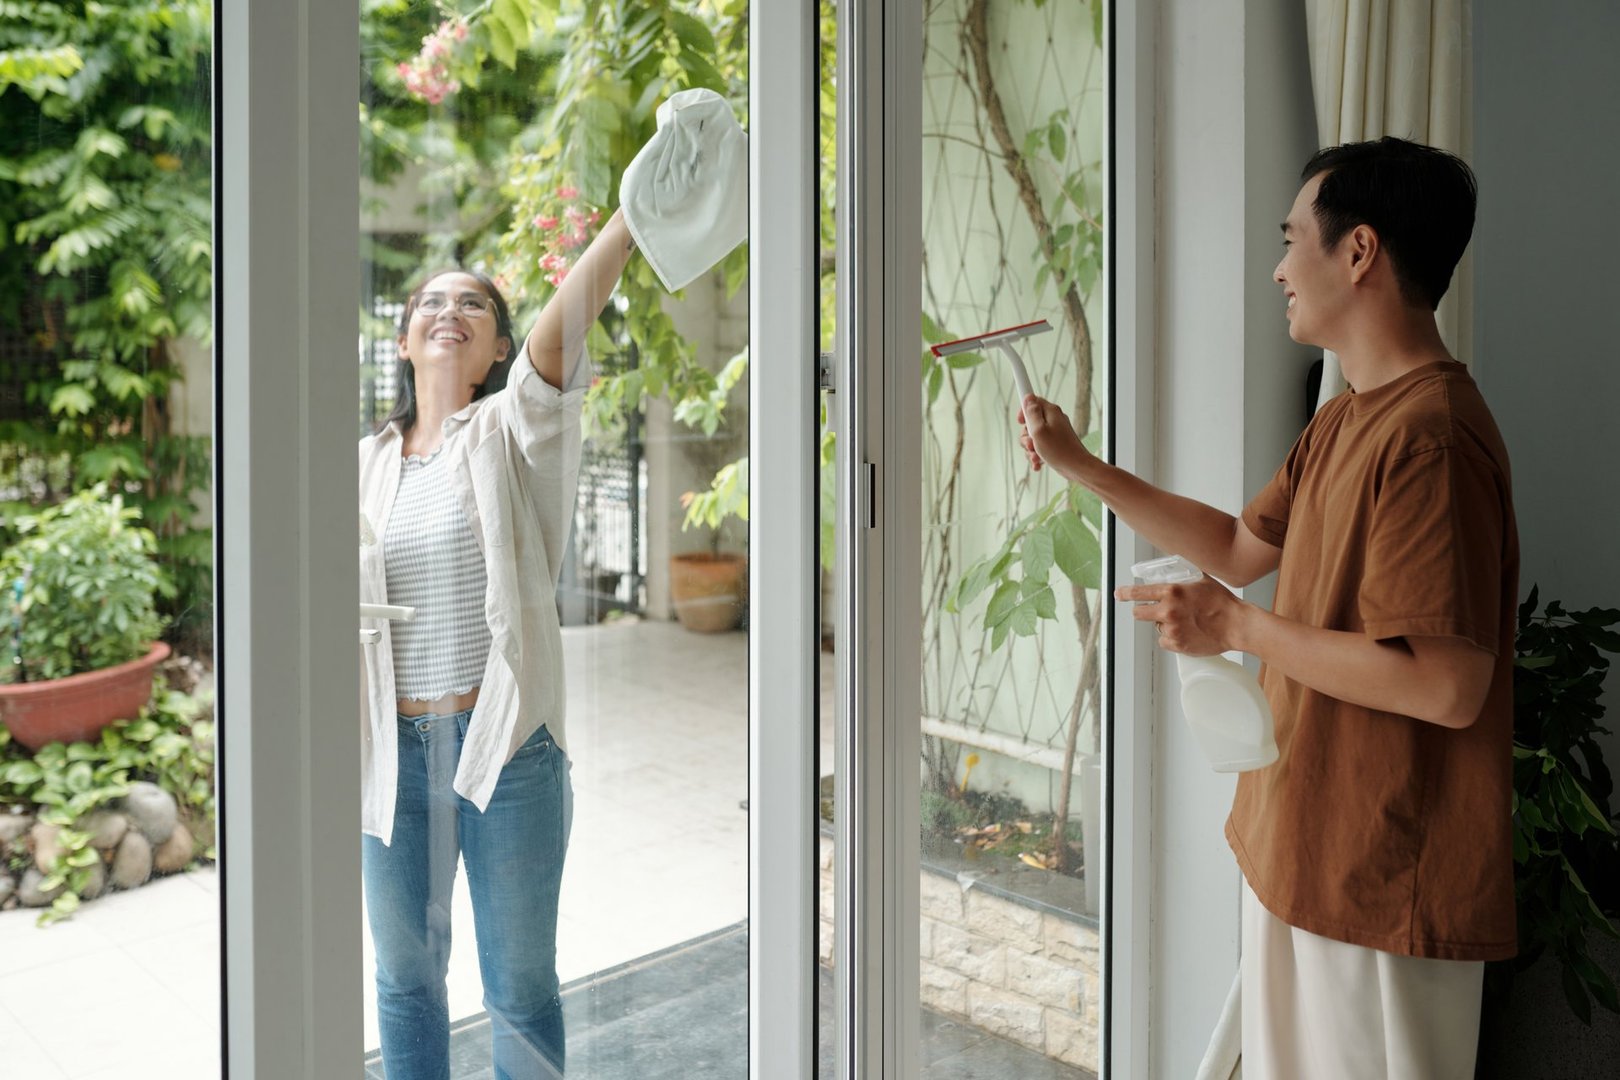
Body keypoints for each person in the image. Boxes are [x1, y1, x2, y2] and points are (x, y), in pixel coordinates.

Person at [1019, 137, 1517, 1079]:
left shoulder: (1432, 441)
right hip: (1305, 847)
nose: (1280, 269)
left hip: (1384, 883)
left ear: (1359, 251)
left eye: (1292, 241)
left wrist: (1236, 626)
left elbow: (1448, 688)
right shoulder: (1348, 415)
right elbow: (1239, 549)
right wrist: (1081, 465)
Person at [357, 209, 637, 1079]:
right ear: (403, 341)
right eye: (431, 302)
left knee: (517, 989)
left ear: (499, 349)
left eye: (473, 304)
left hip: (505, 751)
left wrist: (632, 217)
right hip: (389, 760)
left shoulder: (515, 433)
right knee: (405, 984)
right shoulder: (361, 465)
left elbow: (561, 333)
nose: (449, 310)